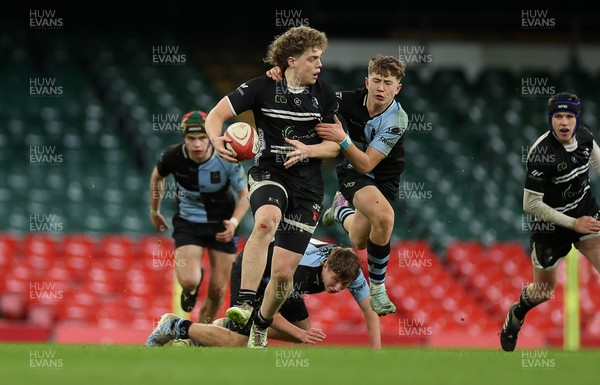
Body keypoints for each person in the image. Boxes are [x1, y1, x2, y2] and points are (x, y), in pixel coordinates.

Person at [204, 26, 340, 348]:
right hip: (269, 171)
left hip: (308, 186)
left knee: (282, 275)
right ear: (291, 61)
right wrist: (215, 139)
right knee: (266, 219)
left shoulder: (324, 95)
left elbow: (336, 146)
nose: (319, 64)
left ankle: (261, 323)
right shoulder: (260, 87)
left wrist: (310, 150)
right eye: (313, 58)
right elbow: (216, 115)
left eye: (320, 57)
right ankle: (245, 304)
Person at [267, 54, 407, 316]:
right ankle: (378, 288)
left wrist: (343, 139)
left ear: (397, 88)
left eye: (388, 83)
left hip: (382, 177)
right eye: (376, 80)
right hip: (354, 173)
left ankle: (341, 210)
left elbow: (368, 163)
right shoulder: (344, 100)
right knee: (385, 217)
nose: (381, 88)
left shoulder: (397, 119)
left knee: (359, 240)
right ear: (366, 81)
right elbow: (309, 91)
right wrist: (282, 76)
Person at [145, 238, 381, 349]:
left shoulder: (349, 268)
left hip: (281, 279)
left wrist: (377, 353)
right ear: (326, 266)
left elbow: (369, 310)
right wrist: (297, 333)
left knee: (304, 332)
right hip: (253, 272)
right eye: (336, 281)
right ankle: (174, 326)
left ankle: (224, 327)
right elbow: (268, 315)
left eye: (344, 284)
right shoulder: (298, 272)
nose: (337, 288)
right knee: (240, 341)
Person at [500, 92, 600, 351]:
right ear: (550, 119)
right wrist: (572, 224)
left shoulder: (586, 138)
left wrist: (580, 223)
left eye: (569, 116)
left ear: (577, 119)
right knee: (544, 291)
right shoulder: (541, 153)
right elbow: (530, 205)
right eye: (558, 116)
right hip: (551, 229)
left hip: (586, 214)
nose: (564, 122)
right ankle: (517, 314)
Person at [149, 110, 250, 324]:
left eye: (202, 138)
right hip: (188, 222)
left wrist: (234, 223)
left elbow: (245, 196)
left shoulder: (227, 159)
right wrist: (154, 211)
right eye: (191, 138)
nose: (197, 144)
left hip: (222, 226)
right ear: (184, 138)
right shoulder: (173, 156)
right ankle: (193, 284)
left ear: (210, 137)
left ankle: (199, 333)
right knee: (188, 280)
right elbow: (157, 177)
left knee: (217, 291)